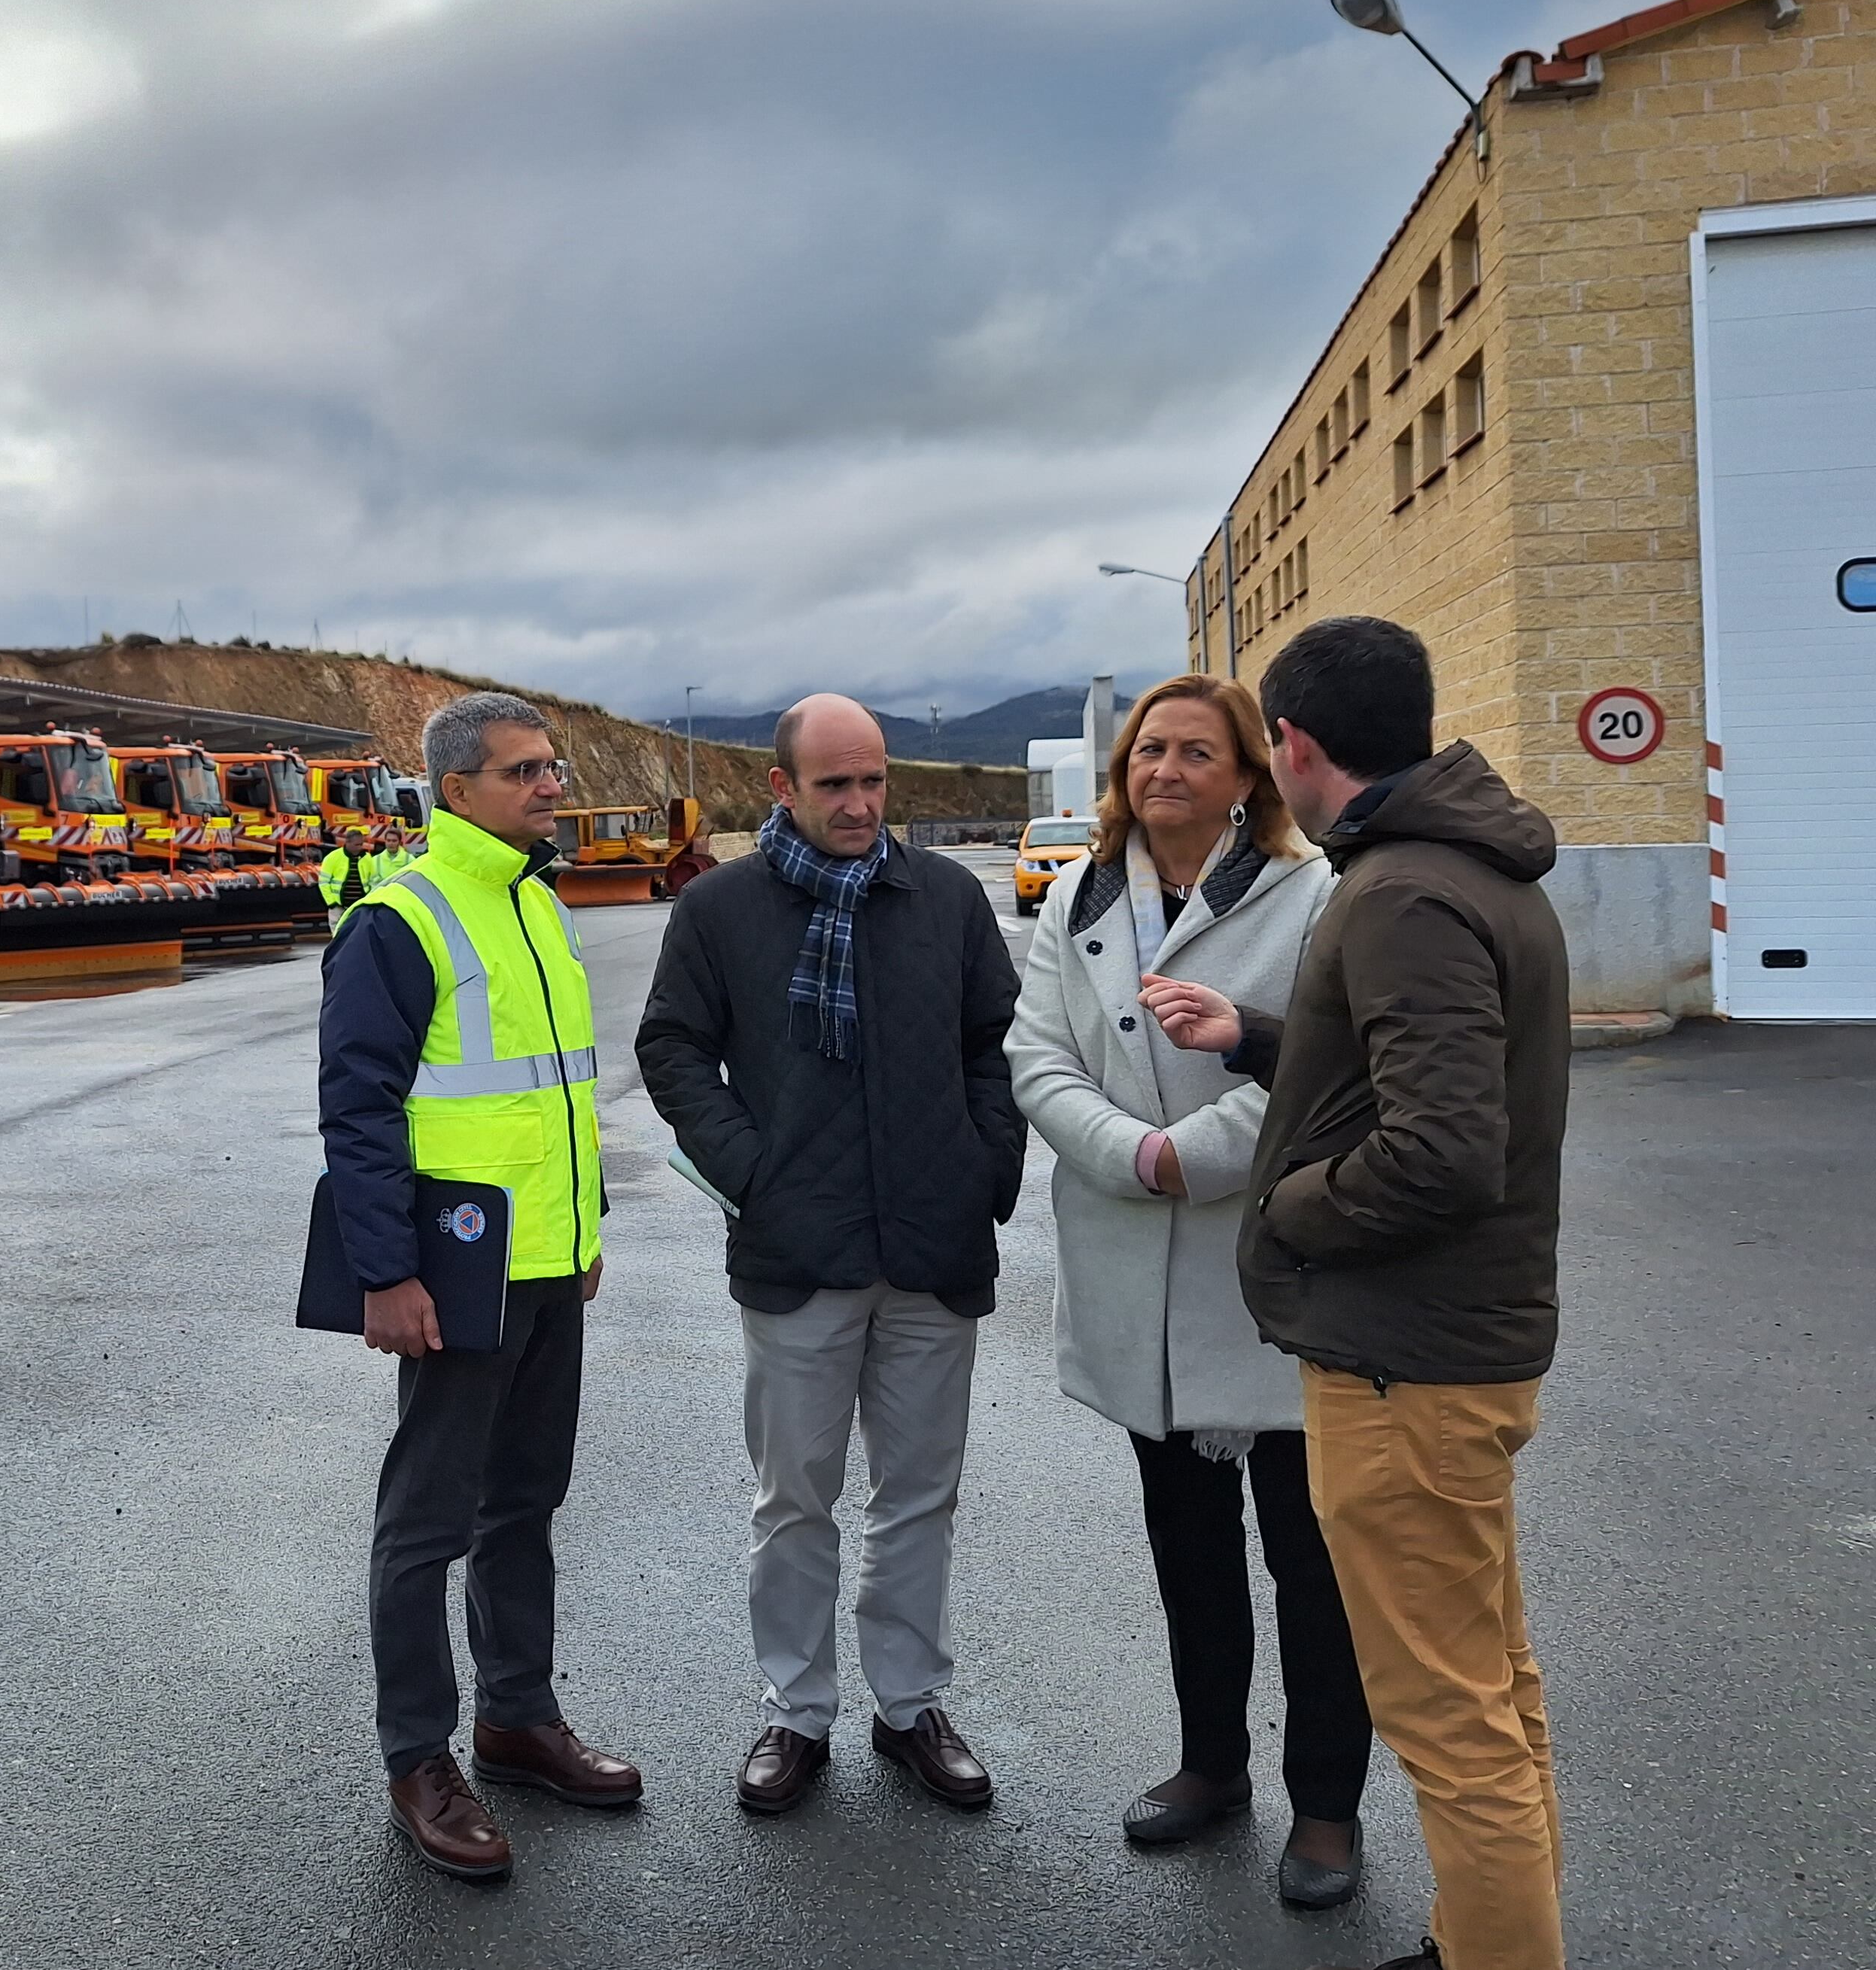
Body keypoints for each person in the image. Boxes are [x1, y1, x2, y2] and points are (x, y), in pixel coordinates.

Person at [1143, 617, 1571, 1970]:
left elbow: (1441, 1151)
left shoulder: (1397, 894)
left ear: (1293, 745)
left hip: (1405, 1366)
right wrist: (1265, 1039)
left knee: (1448, 1719)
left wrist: (1288, 1209)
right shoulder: (1461, 867)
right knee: (1490, 1685)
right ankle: (1477, 1937)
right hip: (1454, 1348)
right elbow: (1401, 1076)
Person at [1005, 673, 1371, 1909]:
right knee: (1189, 1550)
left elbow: (1329, 1072)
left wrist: (1192, 1159)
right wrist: (1131, 1155)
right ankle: (1212, 1765)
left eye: (1196, 752)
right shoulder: (1081, 894)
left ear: (1250, 776)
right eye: (1148, 749)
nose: (1165, 768)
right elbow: (1037, 1056)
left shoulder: (1311, 896)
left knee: (1313, 1566)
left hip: (1270, 1274)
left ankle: (1326, 1807)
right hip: (1136, 1267)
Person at [636, 695, 1024, 1817]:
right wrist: (752, 1171)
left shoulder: (945, 898)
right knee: (794, 1498)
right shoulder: (719, 909)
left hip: (933, 1245)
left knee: (920, 1495)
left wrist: (983, 1167)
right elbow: (672, 1046)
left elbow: (996, 1044)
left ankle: (910, 1707)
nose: (860, 805)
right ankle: (796, 1713)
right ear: (784, 789)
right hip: (796, 1252)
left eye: (874, 781)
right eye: (835, 785)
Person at [318, 690, 635, 1880]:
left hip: (548, 1262)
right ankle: (419, 1758)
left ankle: (516, 1718)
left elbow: (557, 1093)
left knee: (526, 1503)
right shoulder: (401, 920)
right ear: (457, 791)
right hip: (454, 1275)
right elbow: (357, 1110)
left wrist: (586, 1229)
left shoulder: (538, 902)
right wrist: (387, 1273)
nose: (552, 786)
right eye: (525, 771)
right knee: (426, 1525)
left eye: (553, 767)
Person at [321, 824, 383, 922]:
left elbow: (374, 881)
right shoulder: (332, 858)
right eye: (357, 845)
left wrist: (370, 901)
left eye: (361, 844)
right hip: (338, 908)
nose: (360, 847)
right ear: (347, 843)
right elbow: (323, 882)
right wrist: (332, 903)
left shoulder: (367, 858)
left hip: (360, 907)